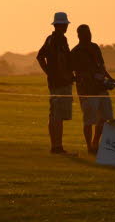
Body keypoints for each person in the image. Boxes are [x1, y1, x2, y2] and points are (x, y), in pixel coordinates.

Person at [70, 24, 115, 154]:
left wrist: (110, 79)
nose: (89, 35)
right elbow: (74, 72)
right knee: (89, 120)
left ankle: (96, 142)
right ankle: (89, 146)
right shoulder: (75, 52)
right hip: (87, 91)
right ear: (79, 35)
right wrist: (88, 77)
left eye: (89, 32)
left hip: (101, 88)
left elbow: (102, 66)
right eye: (85, 33)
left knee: (105, 117)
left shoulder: (95, 47)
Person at [37, 12, 75, 154]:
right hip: (61, 83)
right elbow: (56, 60)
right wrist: (52, 73)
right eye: (64, 24)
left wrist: (49, 73)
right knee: (57, 115)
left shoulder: (51, 39)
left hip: (56, 82)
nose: (66, 27)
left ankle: (55, 146)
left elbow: (40, 57)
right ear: (60, 25)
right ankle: (57, 146)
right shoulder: (59, 40)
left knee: (54, 115)